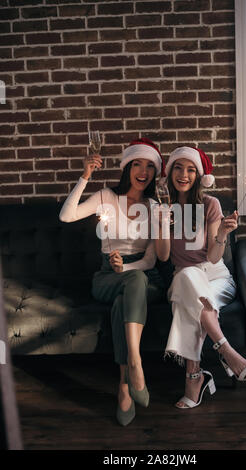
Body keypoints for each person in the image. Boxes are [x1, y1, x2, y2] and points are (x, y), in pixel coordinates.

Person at [59, 137, 165, 426]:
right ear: (127, 167)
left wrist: (127, 267)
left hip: (144, 276)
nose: (143, 171)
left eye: (149, 167)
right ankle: (135, 364)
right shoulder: (106, 197)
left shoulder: (155, 207)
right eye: (137, 164)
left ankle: (124, 381)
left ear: (155, 173)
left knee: (129, 292)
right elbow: (66, 215)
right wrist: (85, 176)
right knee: (130, 286)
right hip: (107, 276)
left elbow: (152, 260)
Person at [154, 146, 246, 410]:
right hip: (183, 276)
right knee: (188, 277)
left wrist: (223, 233)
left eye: (191, 169)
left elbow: (214, 258)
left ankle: (195, 378)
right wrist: (161, 224)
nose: (184, 174)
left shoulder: (210, 204)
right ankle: (226, 350)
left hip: (215, 276)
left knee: (189, 303)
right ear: (169, 173)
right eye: (178, 168)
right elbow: (164, 256)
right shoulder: (163, 208)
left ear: (199, 175)